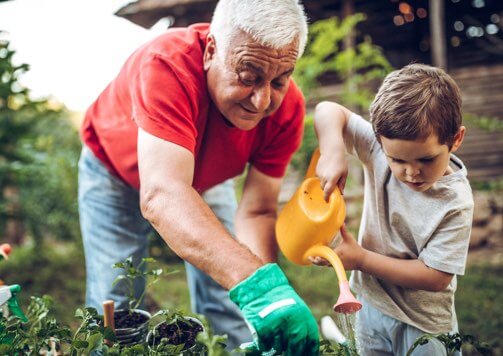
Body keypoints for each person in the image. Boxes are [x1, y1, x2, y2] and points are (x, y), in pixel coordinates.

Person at [78, 0, 320, 353]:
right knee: (117, 304)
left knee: (231, 299)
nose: (261, 100)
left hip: (205, 179)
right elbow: (163, 194)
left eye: (279, 81)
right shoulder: (167, 65)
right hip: (113, 171)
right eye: (248, 76)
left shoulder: (286, 110)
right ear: (211, 50)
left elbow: (258, 211)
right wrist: (256, 283)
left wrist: (270, 297)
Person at [312, 64, 473, 355]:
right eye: (397, 160)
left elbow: (435, 277)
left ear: (456, 140)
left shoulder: (455, 202)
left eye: (426, 159)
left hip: (423, 325)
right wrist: (334, 150)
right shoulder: (377, 149)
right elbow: (326, 110)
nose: (412, 172)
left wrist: (361, 259)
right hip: (370, 305)